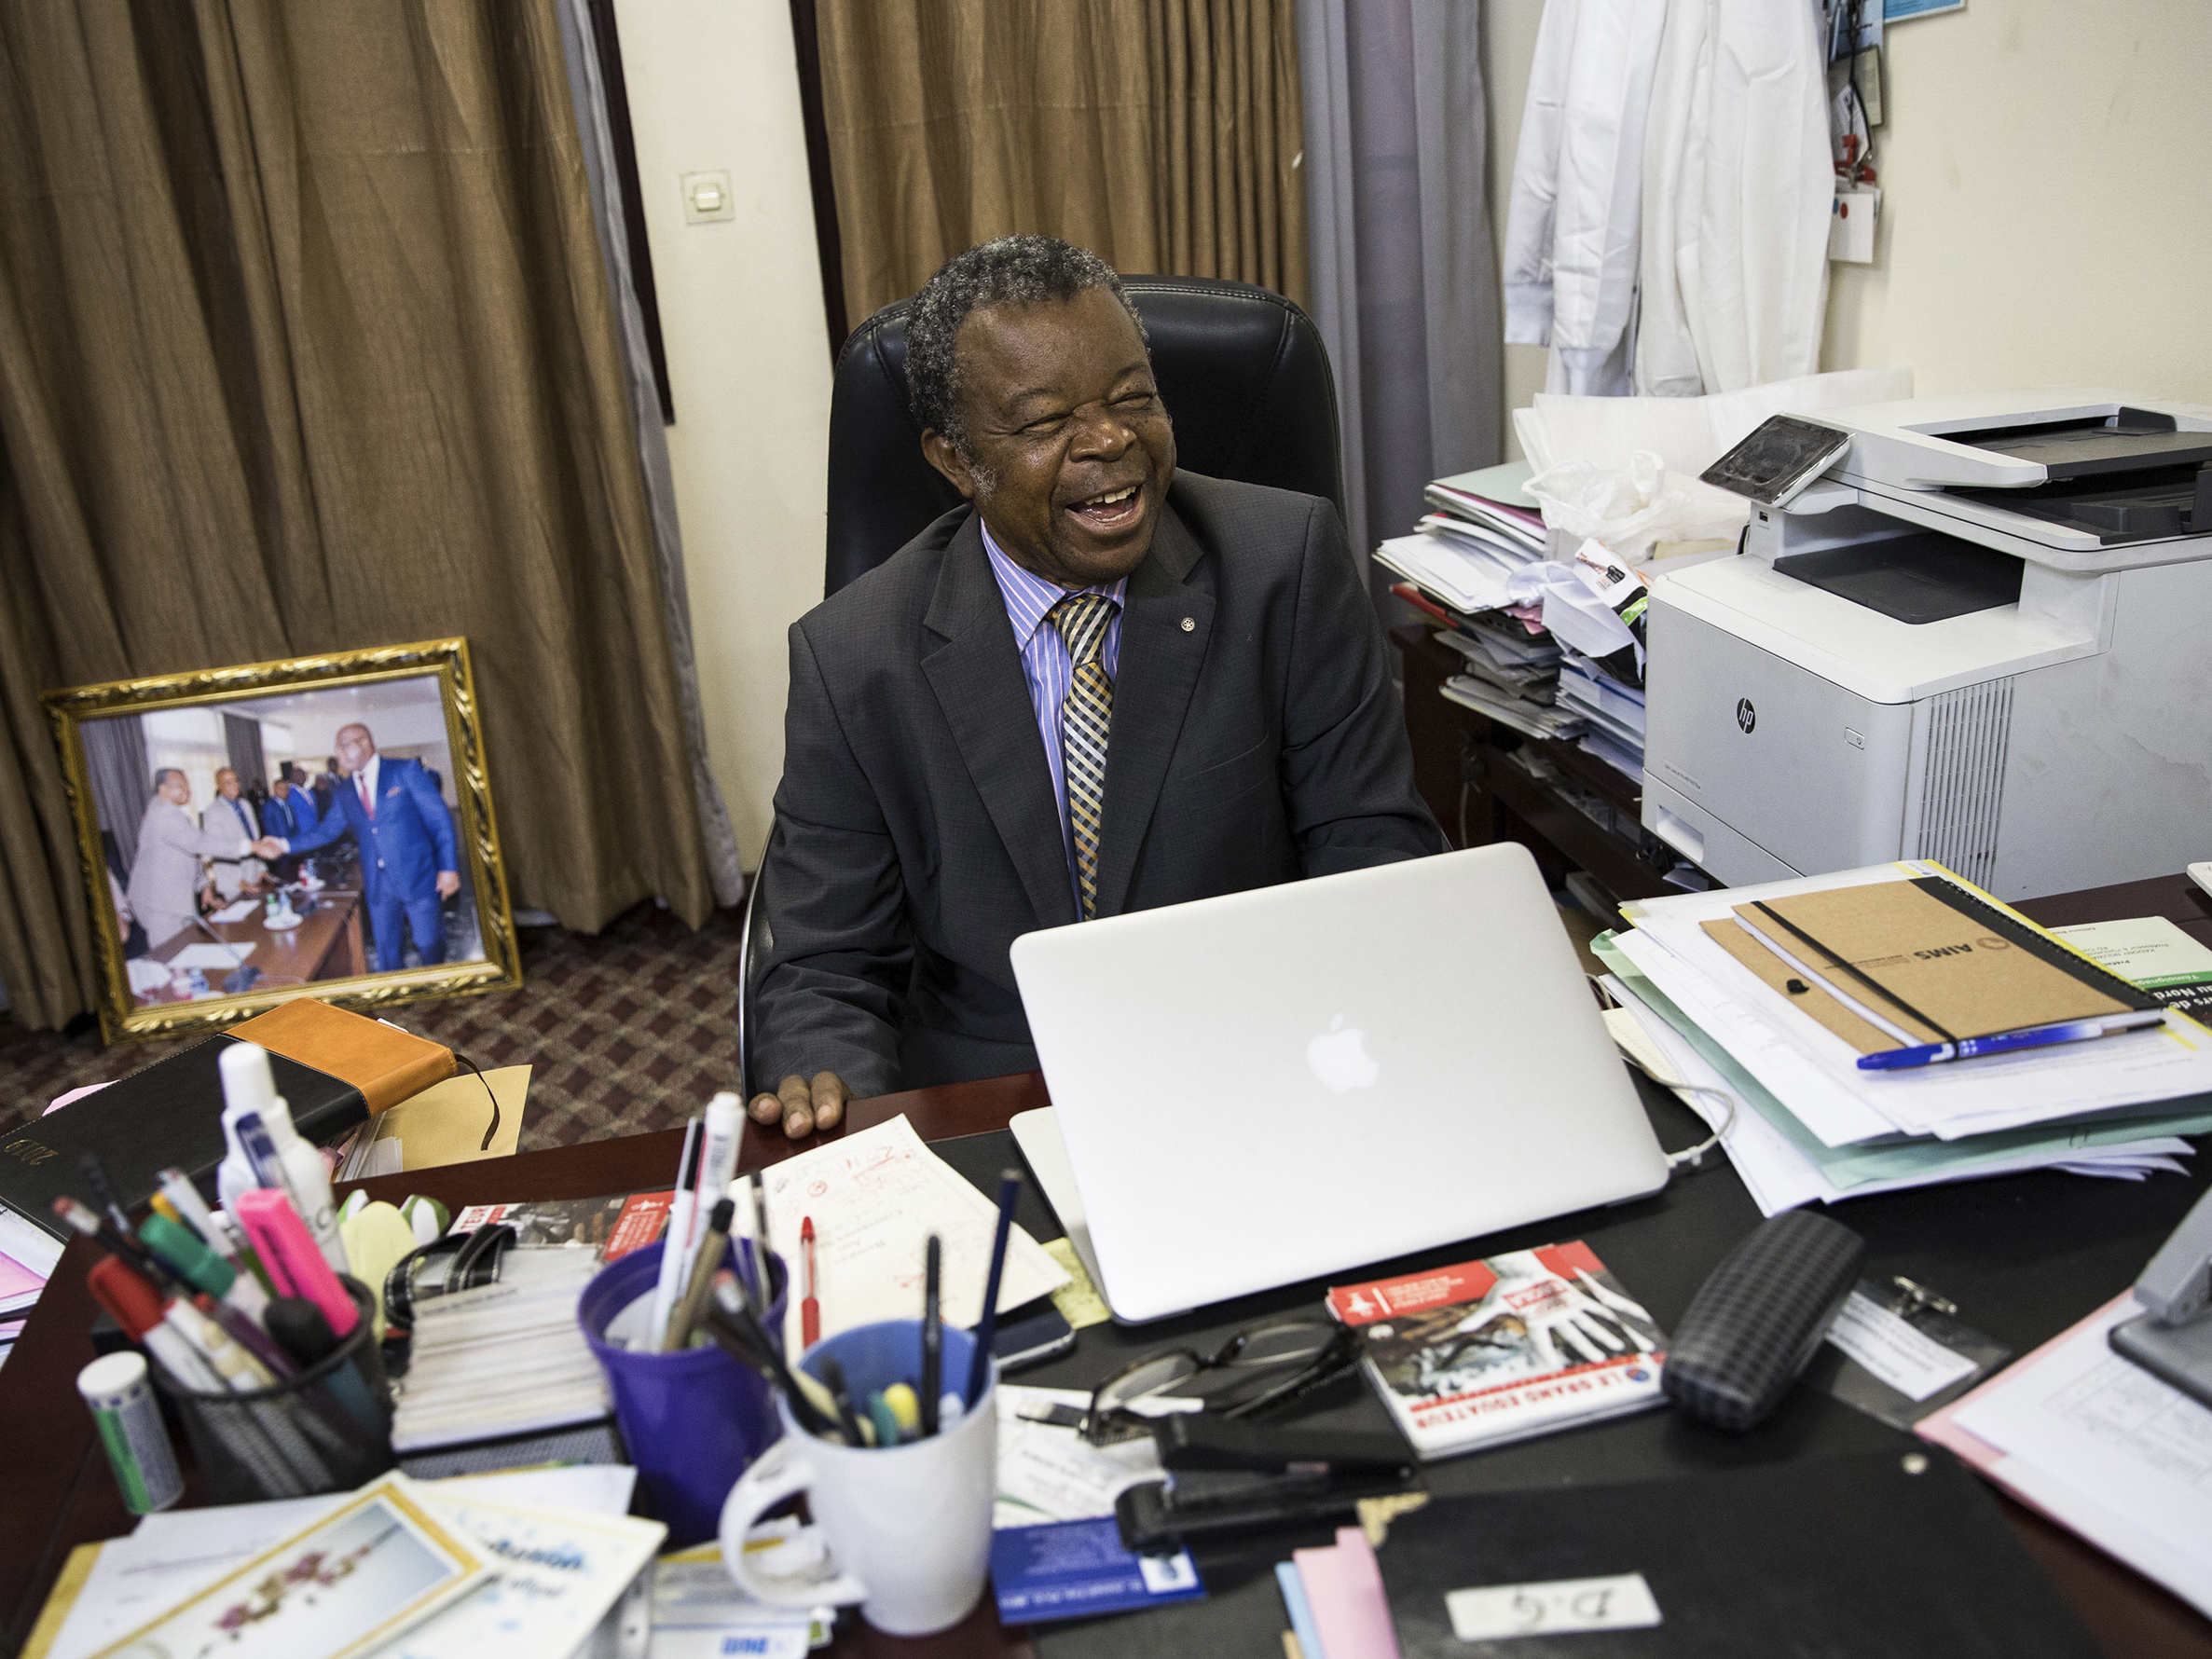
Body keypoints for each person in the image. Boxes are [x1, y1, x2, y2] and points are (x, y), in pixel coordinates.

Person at [748, 236, 1443, 1138]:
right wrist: (831, 1088)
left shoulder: (1286, 565)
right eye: (1044, 424)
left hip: (1260, 1064)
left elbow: (1372, 848)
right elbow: (823, 964)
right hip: (1000, 1097)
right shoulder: (853, 657)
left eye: (1133, 399)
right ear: (956, 461)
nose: (1110, 440)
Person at [272, 723, 460, 971]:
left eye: (341, 748)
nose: (337, 755)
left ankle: (440, 990)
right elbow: (327, 830)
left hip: (418, 876)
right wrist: (283, 844)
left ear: (363, 743)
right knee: (387, 951)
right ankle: (399, 1001)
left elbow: (439, 820)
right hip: (377, 885)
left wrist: (448, 868)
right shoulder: (344, 790)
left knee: (428, 944)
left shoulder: (404, 771)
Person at [125, 769, 282, 953]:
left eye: (187, 785)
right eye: (180, 786)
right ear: (163, 789)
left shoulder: (173, 813)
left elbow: (189, 853)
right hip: (160, 904)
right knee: (172, 957)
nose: (187, 790)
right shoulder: (162, 813)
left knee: (186, 952)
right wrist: (254, 846)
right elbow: (199, 843)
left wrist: (204, 886)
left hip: (173, 900)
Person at [204, 768, 267, 900]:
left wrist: (261, 867)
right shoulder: (212, 811)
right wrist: (239, 882)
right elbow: (218, 849)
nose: (235, 785)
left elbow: (254, 839)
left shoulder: (246, 805)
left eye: (236, 780)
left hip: (254, 875)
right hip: (235, 882)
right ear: (218, 785)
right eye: (228, 782)